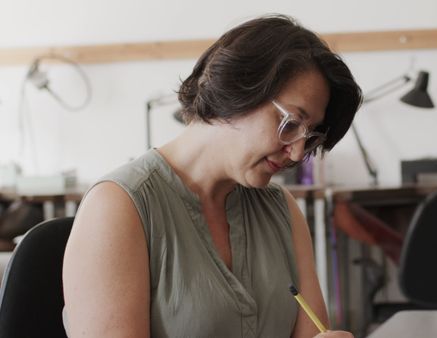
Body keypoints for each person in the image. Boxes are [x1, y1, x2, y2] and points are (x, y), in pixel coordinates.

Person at [62, 14, 361, 338]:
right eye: (290, 124)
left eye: (310, 136)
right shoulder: (118, 208)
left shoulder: (281, 210)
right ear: (235, 88)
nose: (298, 153)